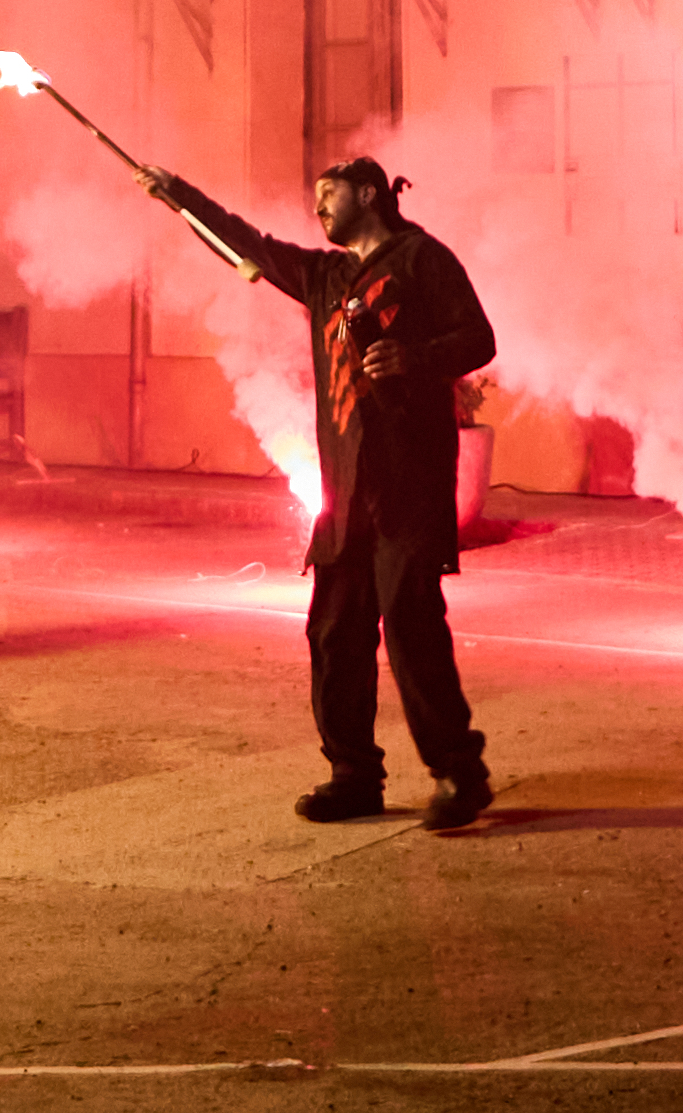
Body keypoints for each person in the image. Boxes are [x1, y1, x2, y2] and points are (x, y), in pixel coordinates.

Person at [140, 155, 500, 828]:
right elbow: (244, 245)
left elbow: (478, 338)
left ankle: (459, 772)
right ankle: (354, 775)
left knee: (411, 624)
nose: (318, 209)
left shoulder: (423, 260)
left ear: (368, 193)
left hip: (409, 485)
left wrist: (415, 359)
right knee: (334, 632)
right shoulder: (327, 277)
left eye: (327, 195)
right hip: (347, 491)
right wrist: (176, 195)